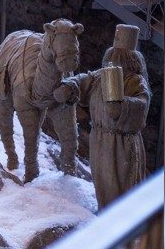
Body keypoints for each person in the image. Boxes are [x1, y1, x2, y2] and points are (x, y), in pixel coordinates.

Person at [54, 24, 151, 208]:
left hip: (121, 144)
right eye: (115, 54)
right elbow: (84, 79)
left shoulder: (135, 81)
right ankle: (105, 213)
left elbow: (142, 104)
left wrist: (121, 107)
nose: (116, 58)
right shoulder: (101, 76)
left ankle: (122, 222)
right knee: (103, 185)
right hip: (99, 140)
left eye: (120, 55)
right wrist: (70, 86)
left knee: (121, 187)